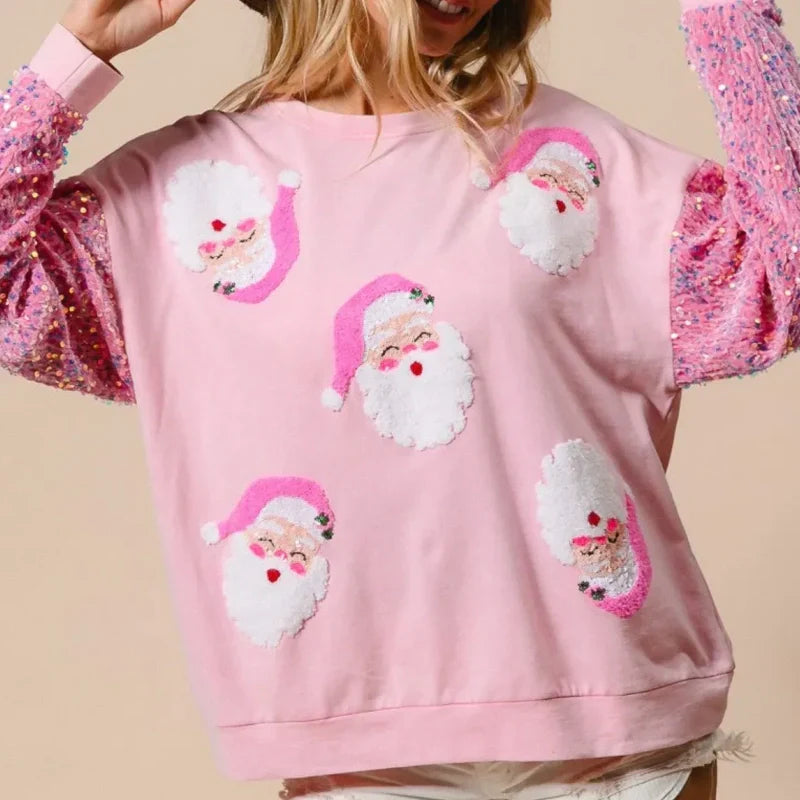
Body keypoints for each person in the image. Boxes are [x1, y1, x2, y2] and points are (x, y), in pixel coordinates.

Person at [1, 0, 797, 798]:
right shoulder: (189, 197)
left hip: (619, 738)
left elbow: (784, 266)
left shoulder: (572, 159)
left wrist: (726, 13)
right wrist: (77, 53)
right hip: (358, 749)